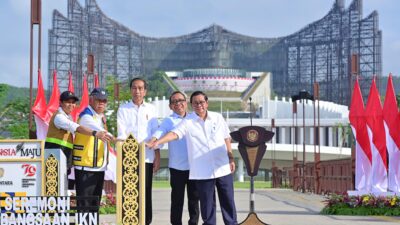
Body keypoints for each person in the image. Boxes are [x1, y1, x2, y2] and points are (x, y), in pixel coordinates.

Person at [148, 91, 237, 225]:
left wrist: (230, 157)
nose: (199, 105)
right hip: (200, 171)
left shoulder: (217, 117)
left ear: (207, 103)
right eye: (195, 103)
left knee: (227, 201)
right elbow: (174, 134)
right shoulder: (186, 122)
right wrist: (157, 142)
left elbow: (226, 137)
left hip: (221, 166)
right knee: (206, 207)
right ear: (191, 105)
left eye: (201, 102)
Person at [150, 91, 199, 225]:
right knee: (177, 200)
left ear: (186, 102)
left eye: (180, 100)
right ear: (170, 106)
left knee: (194, 200)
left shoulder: (194, 118)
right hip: (177, 167)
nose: (178, 104)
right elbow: (159, 132)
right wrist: (154, 140)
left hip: (194, 167)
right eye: (174, 102)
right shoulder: (169, 120)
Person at [45, 90, 110, 189]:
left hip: (63, 155)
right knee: (54, 189)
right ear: (61, 103)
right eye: (68, 102)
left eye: (73, 103)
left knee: (62, 187)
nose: (71, 105)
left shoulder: (68, 116)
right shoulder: (59, 117)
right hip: (54, 156)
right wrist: (94, 133)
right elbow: (76, 128)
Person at [117, 77, 160, 225]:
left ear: (145, 91)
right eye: (134, 88)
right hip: (129, 157)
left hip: (147, 157)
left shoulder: (152, 109)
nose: (137, 91)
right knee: (129, 190)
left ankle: (146, 221)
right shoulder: (123, 109)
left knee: (146, 191)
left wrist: (157, 156)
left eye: (140, 88)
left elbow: (155, 134)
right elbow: (121, 134)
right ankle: (130, 220)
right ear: (130, 90)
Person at [73, 87, 114, 213]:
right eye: (98, 100)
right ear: (91, 100)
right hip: (86, 166)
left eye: (104, 100)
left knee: (94, 205)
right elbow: (103, 133)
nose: (101, 103)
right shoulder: (86, 116)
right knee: (85, 205)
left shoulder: (100, 117)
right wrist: (118, 139)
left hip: (98, 166)